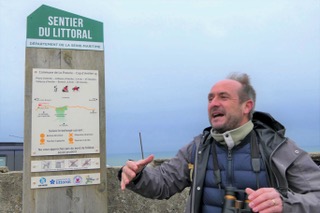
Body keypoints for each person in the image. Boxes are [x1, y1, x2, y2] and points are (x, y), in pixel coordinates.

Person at [118, 73, 320, 213]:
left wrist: (285, 204)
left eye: (223, 97)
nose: (214, 103)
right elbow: (163, 183)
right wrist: (137, 176)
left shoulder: (277, 148)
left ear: (246, 106)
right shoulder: (198, 148)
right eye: (210, 98)